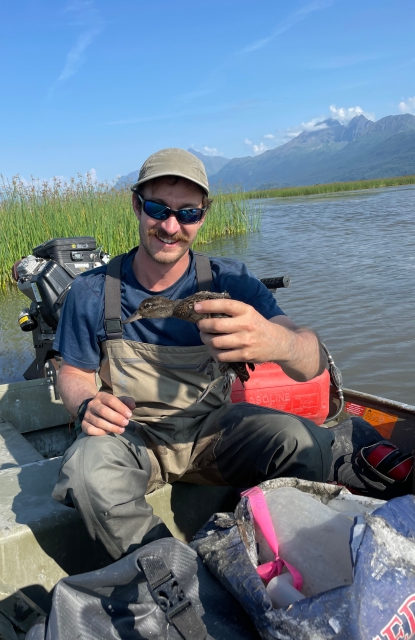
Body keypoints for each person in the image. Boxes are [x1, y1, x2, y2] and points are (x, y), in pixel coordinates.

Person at [51, 148, 394, 562]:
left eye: (188, 213)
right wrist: (87, 402)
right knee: (87, 472)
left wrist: (275, 340)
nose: (171, 226)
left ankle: (272, 561)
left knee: (310, 445)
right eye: (158, 208)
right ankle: (171, 575)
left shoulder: (231, 279)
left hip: (212, 430)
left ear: (204, 214)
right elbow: (73, 372)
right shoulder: (90, 291)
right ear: (137, 206)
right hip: (133, 436)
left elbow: (312, 362)